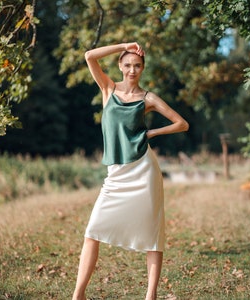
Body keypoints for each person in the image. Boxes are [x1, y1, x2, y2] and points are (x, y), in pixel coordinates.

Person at [72, 42, 189, 300]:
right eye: (127, 65)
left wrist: (152, 132)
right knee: (93, 230)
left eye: (137, 66)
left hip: (143, 170)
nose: (132, 70)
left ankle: (151, 295)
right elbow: (89, 56)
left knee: (152, 234)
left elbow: (182, 124)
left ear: (143, 68)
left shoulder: (148, 98)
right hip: (116, 173)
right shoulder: (108, 88)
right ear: (120, 66)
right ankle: (77, 295)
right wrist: (124, 46)